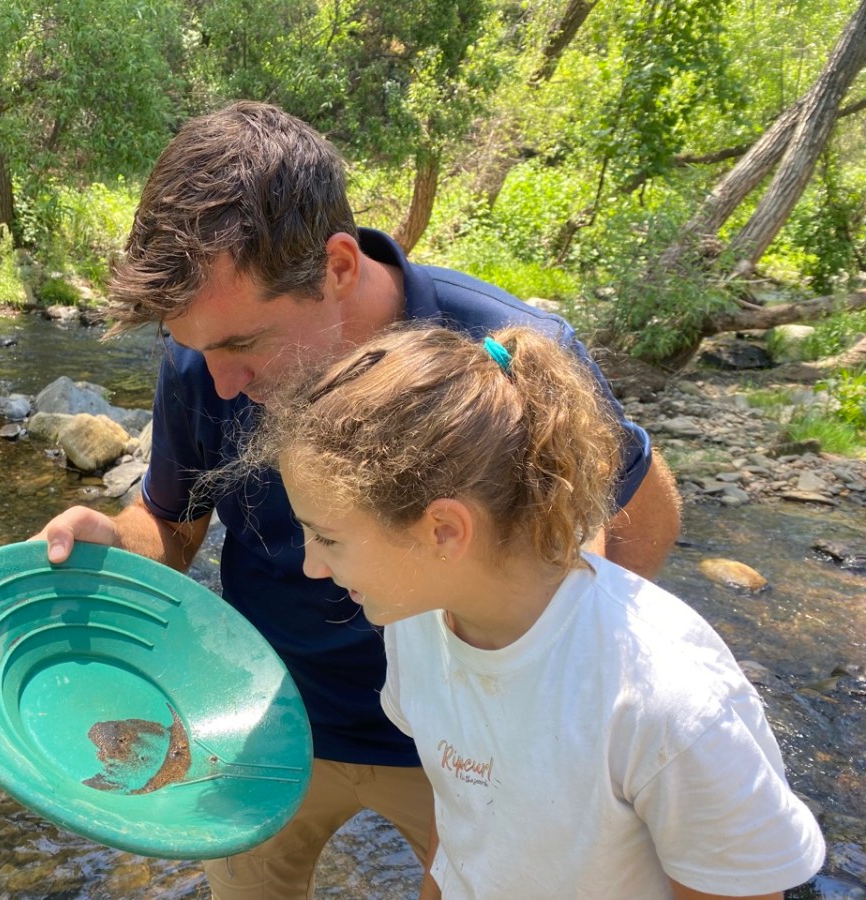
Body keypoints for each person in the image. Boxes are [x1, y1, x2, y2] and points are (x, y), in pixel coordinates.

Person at [32, 100, 682, 898]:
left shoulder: (500, 351)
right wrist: (116, 538)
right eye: (197, 348)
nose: (221, 379)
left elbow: (642, 511)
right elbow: (171, 523)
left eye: (244, 344)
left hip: (459, 752)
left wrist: (561, 683)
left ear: (338, 266)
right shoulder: (201, 361)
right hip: (261, 718)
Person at [239, 323, 825, 899]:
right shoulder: (419, 624)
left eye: (329, 538)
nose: (311, 565)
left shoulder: (665, 703)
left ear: (444, 530)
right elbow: (462, 817)